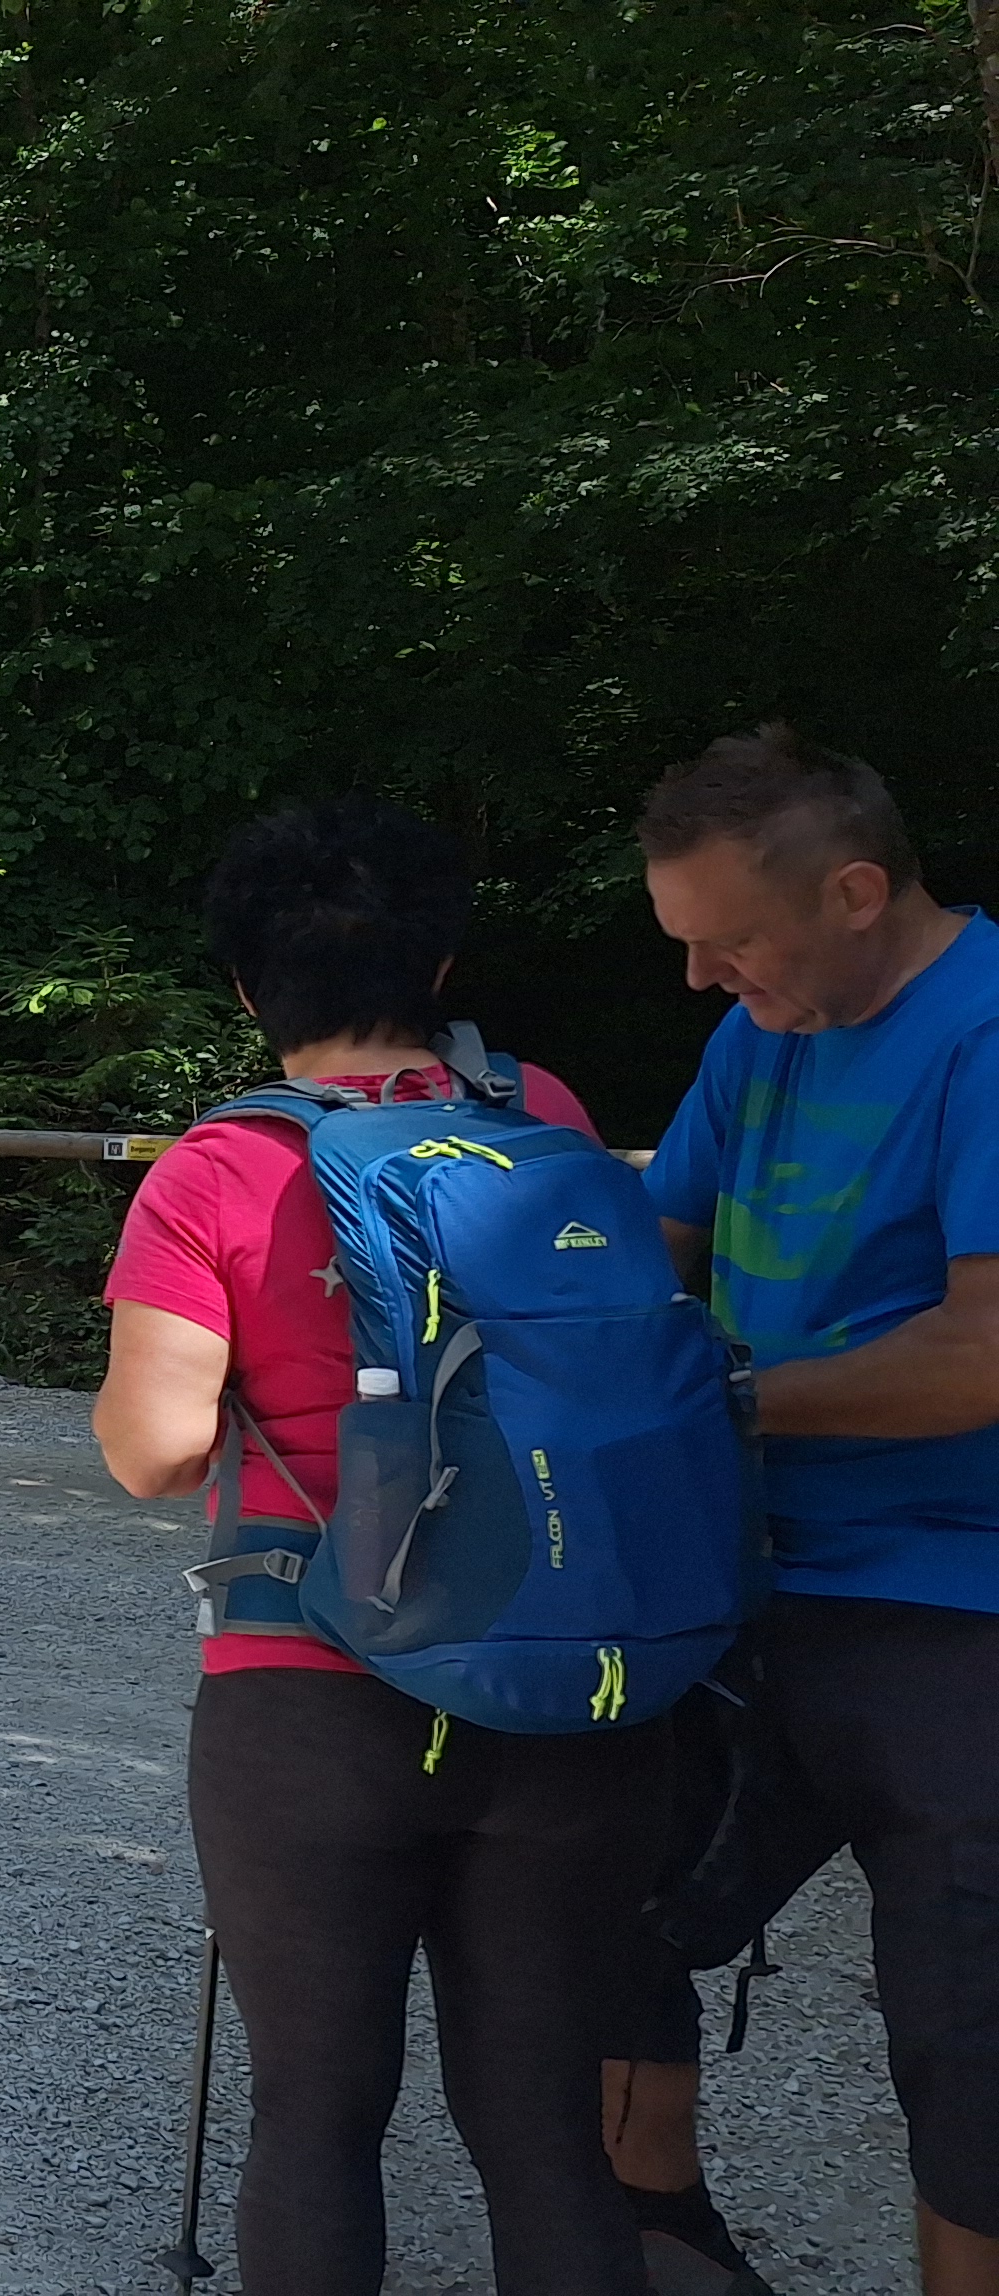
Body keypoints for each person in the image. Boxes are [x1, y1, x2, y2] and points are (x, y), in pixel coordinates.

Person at [92, 798, 662, 2296]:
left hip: (314, 1684)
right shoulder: (543, 1112)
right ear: (443, 963)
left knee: (318, 2116)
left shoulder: (216, 1170)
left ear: (243, 987)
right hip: (564, 1669)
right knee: (544, 2126)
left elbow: (154, 1451)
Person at [629, 727, 999, 2296]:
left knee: (965, 2022)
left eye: (730, 941)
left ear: (854, 892)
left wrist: (711, 1402)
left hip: (955, 1594)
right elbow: (647, 1247)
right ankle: (658, 2227)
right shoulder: (763, 1030)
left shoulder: (984, 1035)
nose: (701, 977)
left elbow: (981, 1355)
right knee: (600, 1885)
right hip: (751, 1568)